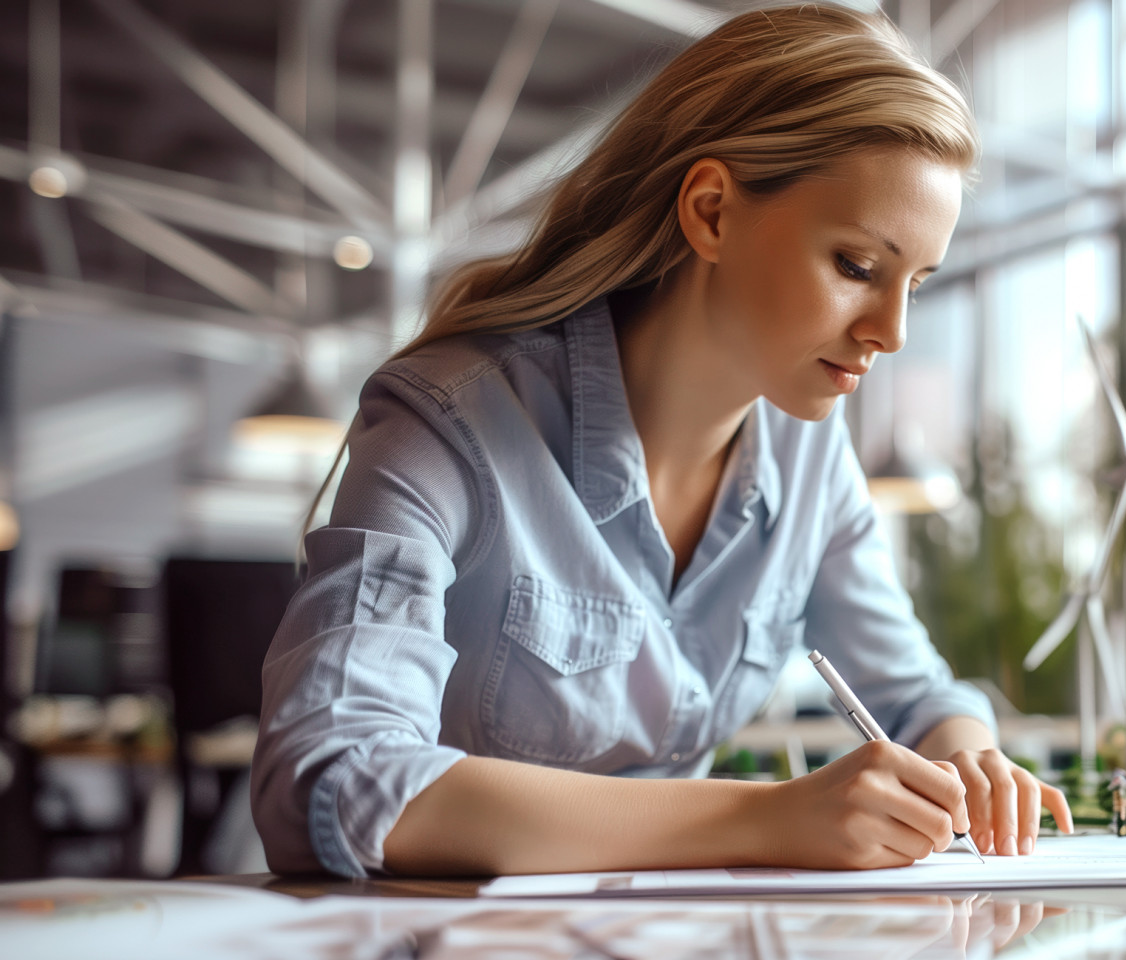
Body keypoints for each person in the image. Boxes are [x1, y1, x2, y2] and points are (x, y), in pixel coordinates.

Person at [251, 5, 1072, 879]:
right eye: (858, 268)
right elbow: (326, 781)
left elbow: (913, 695)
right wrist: (765, 820)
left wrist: (969, 755)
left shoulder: (810, 464)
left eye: (917, 282)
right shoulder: (448, 421)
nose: (892, 331)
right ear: (712, 212)